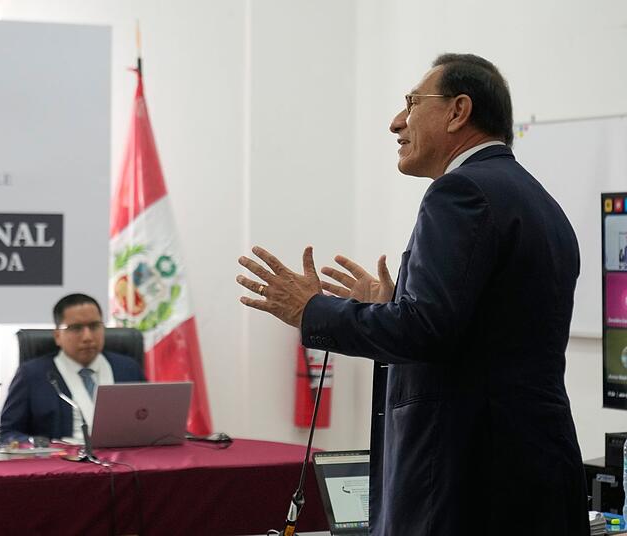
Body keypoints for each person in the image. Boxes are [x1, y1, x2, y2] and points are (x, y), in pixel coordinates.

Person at [236, 53, 587, 535]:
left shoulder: (460, 191)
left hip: (467, 484)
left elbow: (426, 331)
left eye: (412, 102)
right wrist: (392, 308)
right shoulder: (542, 203)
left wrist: (312, 310)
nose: (396, 122)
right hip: (535, 474)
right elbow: (481, 332)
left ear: (458, 111)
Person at [0, 293, 146, 444]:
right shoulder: (31, 375)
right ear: (57, 335)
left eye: (94, 326)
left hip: (124, 455)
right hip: (61, 457)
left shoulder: (128, 368)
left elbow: (146, 421)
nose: (88, 337)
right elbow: (7, 433)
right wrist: (38, 444)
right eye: (76, 328)